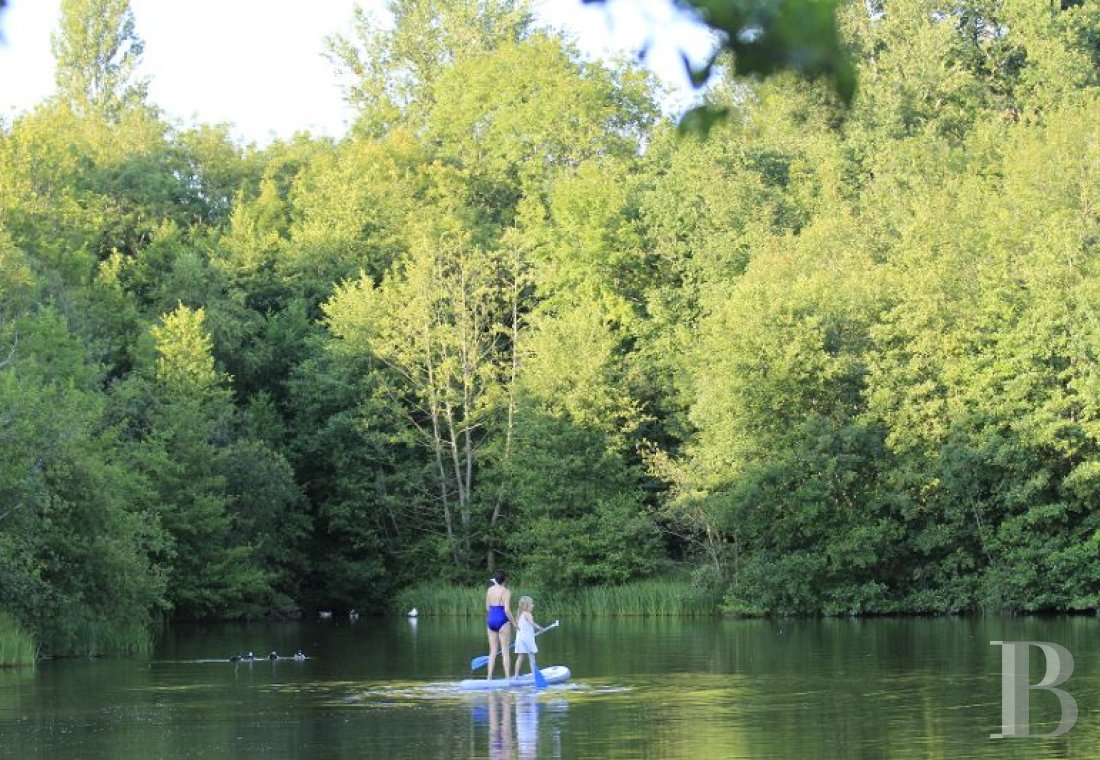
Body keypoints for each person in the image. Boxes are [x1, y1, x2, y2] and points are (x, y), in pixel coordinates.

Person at [485, 570, 515, 680]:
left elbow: (487, 608)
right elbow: (506, 610)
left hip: (491, 619)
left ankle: (489, 677)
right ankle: (507, 678)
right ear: (504, 580)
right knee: (505, 652)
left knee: (492, 651)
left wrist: (493, 616)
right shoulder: (506, 591)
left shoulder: (489, 590)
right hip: (502, 619)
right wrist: (514, 623)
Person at [513, 595, 543, 678]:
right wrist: (539, 628)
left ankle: (516, 675)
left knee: (520, 657)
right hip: (527, 639)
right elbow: (531, 623)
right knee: (531, 656)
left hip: (520, 639)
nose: (533, 605)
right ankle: (534, 675)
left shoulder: (519, 615)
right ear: (526, 606)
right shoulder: (527, 614)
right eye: (531, 604)